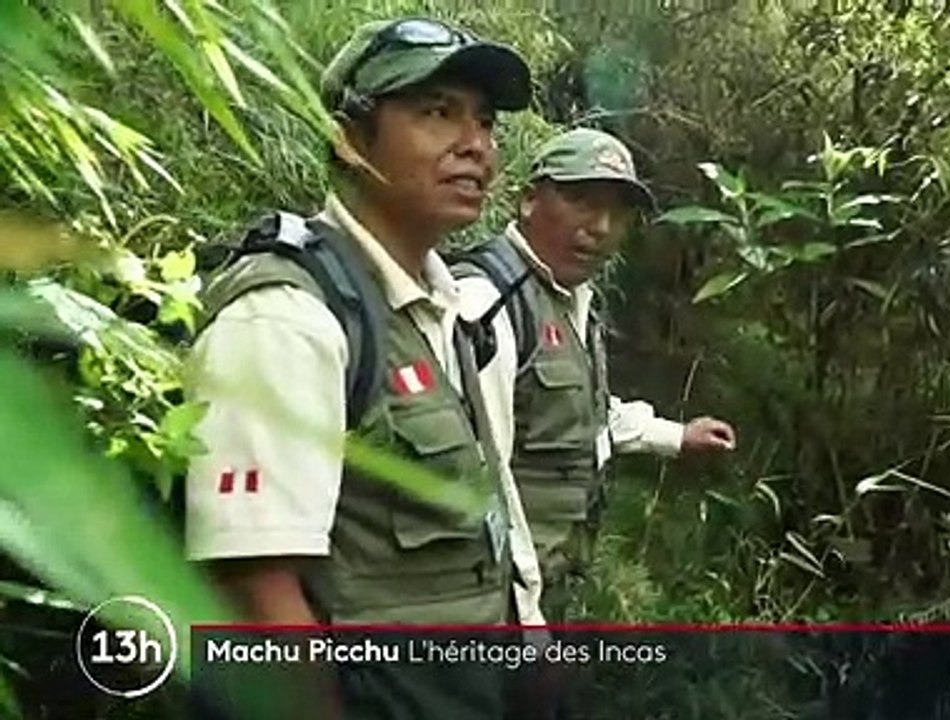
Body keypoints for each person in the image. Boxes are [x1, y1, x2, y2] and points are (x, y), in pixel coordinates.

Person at [182, 17, 542, 719]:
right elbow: (255, 593)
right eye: (438, 113)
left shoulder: (440, 310)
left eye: (486, 121)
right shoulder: (288, 317)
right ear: (350, 138)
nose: (477, 146)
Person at [453, 127, 738, 626]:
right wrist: (527, 629)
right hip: (493, 609)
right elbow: (480, 482)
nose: (601, 227)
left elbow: (580, 413)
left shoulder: (571, 299)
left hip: (548, 590)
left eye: (618, 212)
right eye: (582, 201)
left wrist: (675, 436)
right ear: (528, 200)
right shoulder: (488, 303)